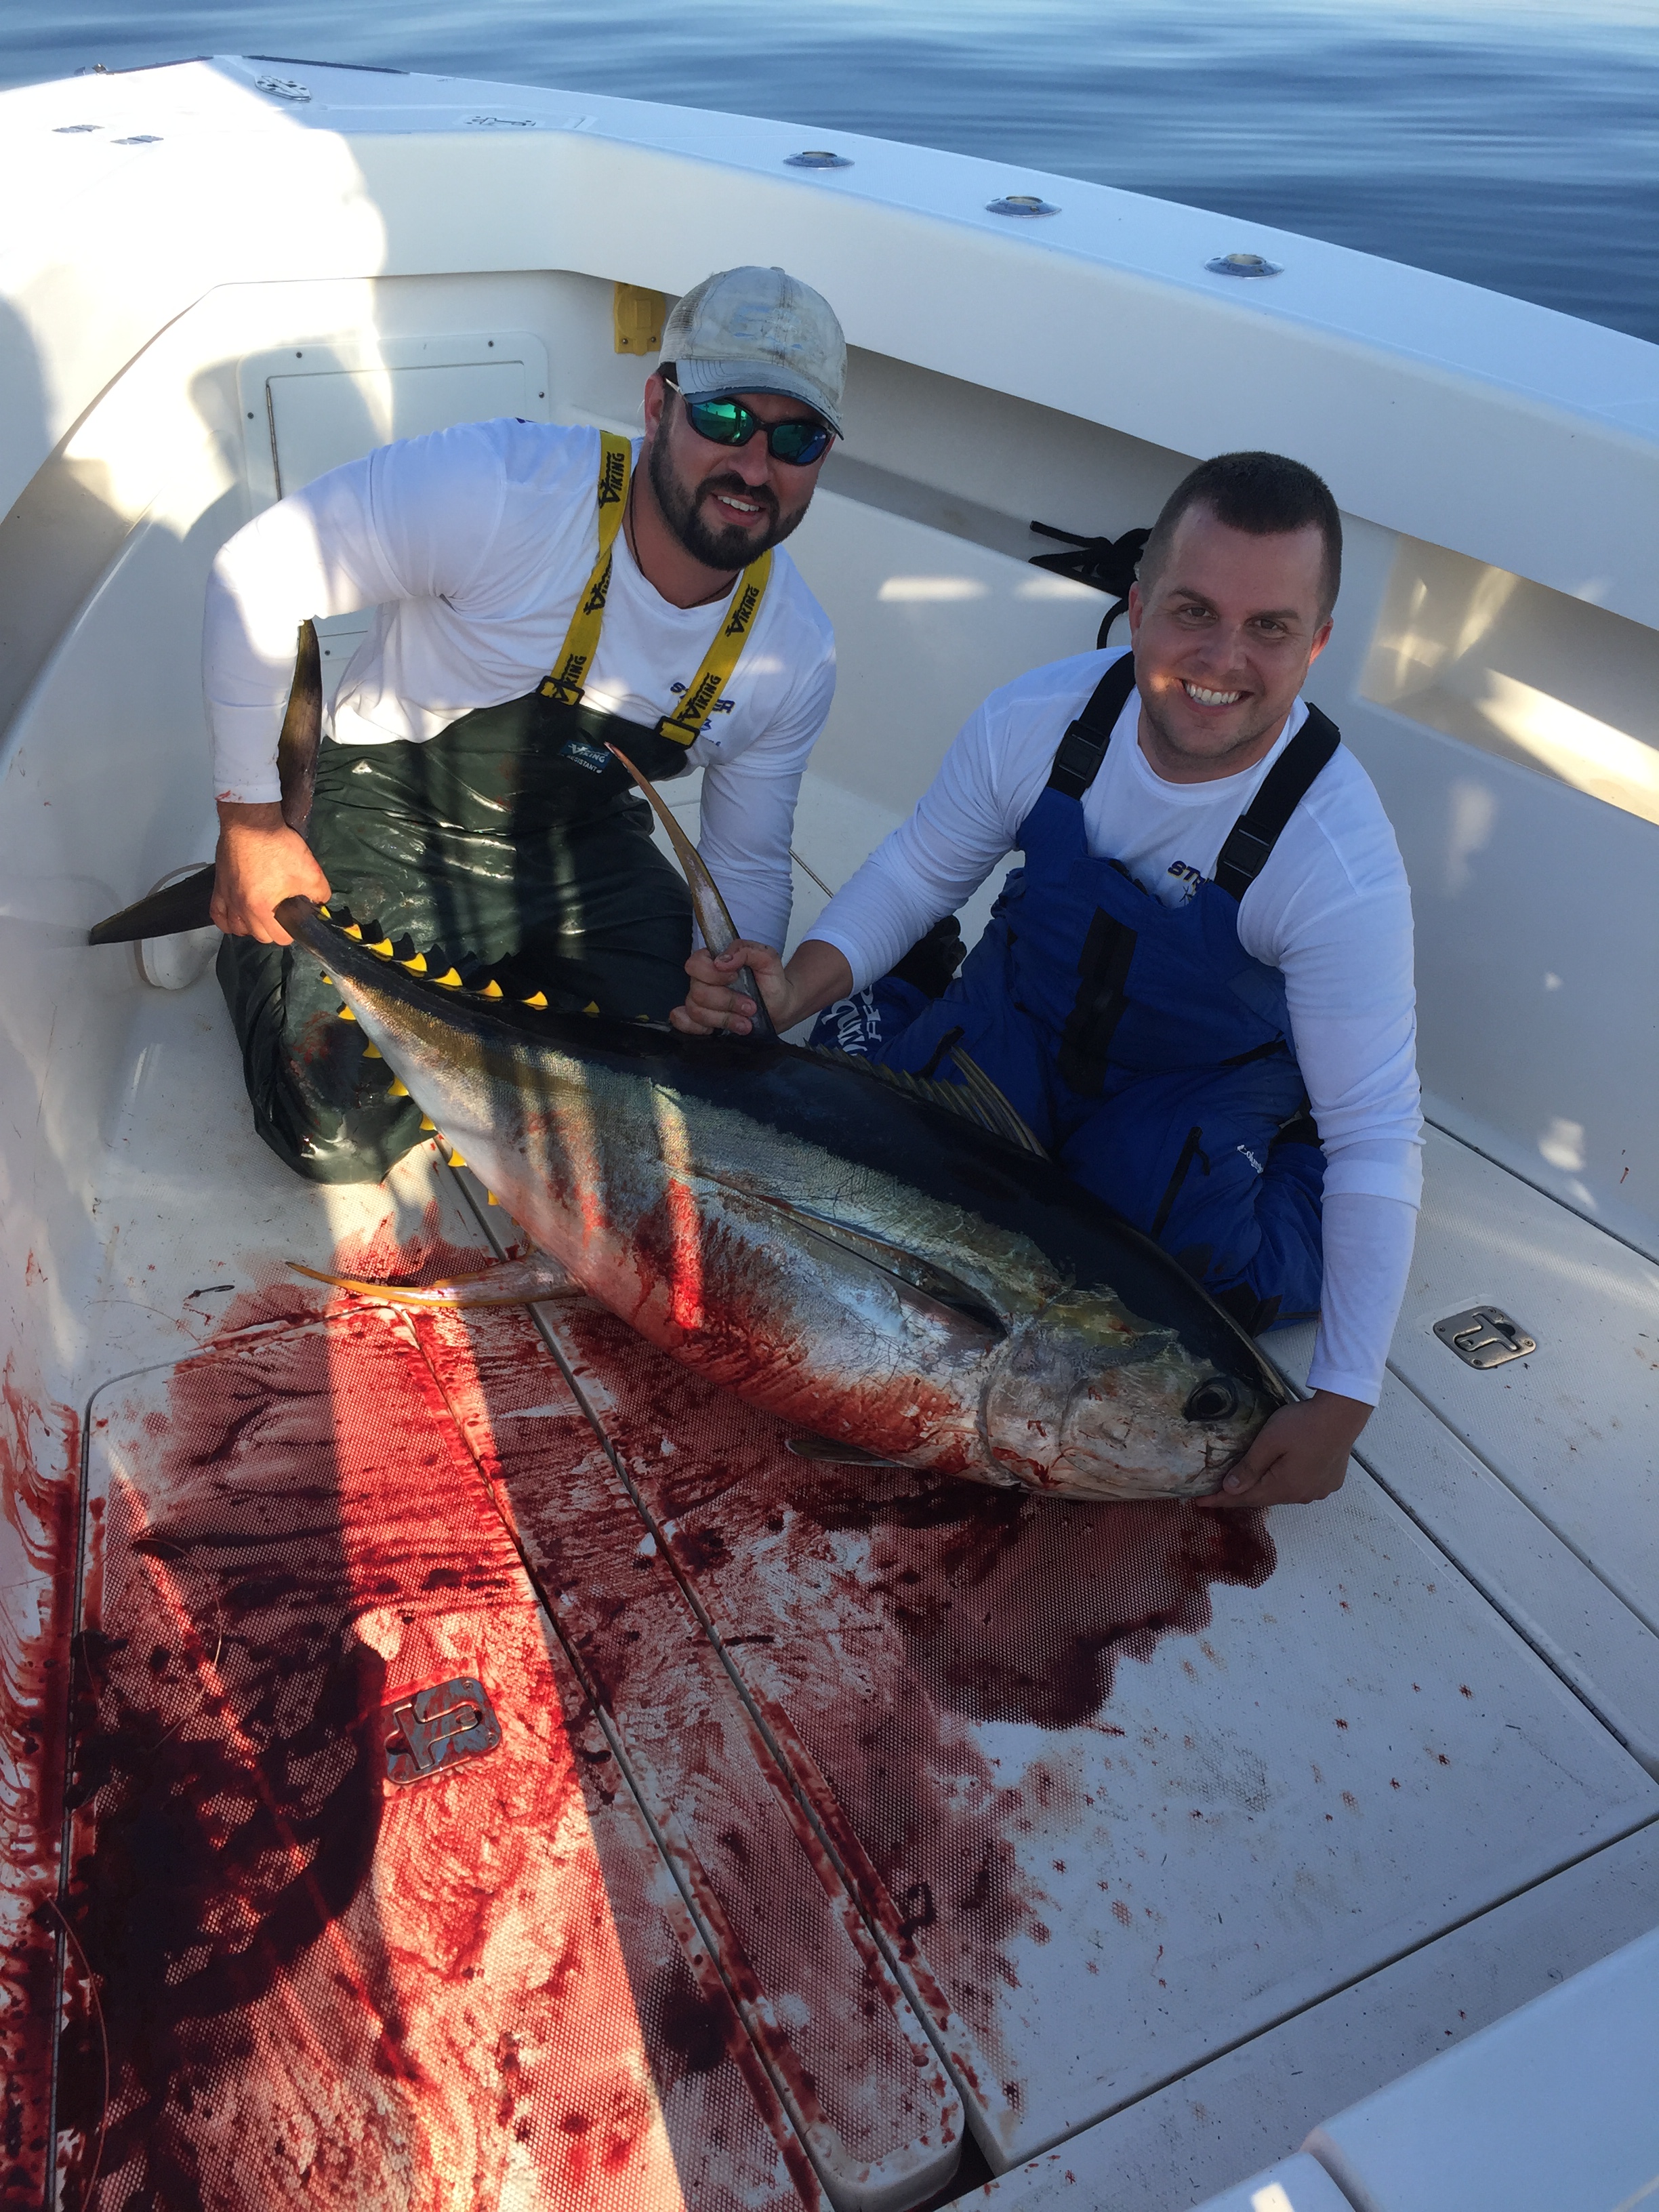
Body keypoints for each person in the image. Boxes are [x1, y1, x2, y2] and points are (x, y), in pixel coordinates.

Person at [674, 451, 1422, 1513]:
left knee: (1186, 1260)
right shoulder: (1037, 718)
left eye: (1270, 628)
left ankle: (1274, 1158)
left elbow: (1378, 1132)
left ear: (1317, 644)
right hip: (1022, 1014)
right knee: (883, 1160)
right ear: (1138, 606)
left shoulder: (1335, 857)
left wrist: (1343, 1403)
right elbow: (918, 871)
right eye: (1194, 611)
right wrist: (792, 992)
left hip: (1192, 1082)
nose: (1223, 659)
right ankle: (910, 990)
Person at [205, 265, 842, 1182]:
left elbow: (744, 865)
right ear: (658, 407)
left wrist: (731, 985)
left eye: (796, 437)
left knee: (690, 1076)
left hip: (579, 842)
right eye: (724, 418)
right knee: (333, 1126)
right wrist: (253, 828)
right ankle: (247, 922)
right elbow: (254, 575)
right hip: (391, 811)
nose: (753, 465)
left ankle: (495, 1014)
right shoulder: (503, 489)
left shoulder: (795, 650)